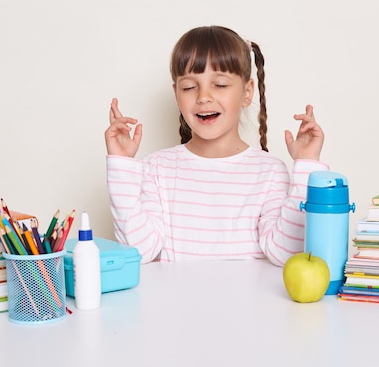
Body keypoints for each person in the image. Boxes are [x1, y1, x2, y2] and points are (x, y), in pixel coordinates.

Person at [105, 25, 328, 266]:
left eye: (220, 85)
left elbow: (284, 253)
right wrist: (121, 164)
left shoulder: (270, 171)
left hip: (251, 304)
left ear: (247, 92)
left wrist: (307, 166)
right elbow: (140, 251)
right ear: (177, 94)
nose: (203, 97)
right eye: (189, 87)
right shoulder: (156, 168)